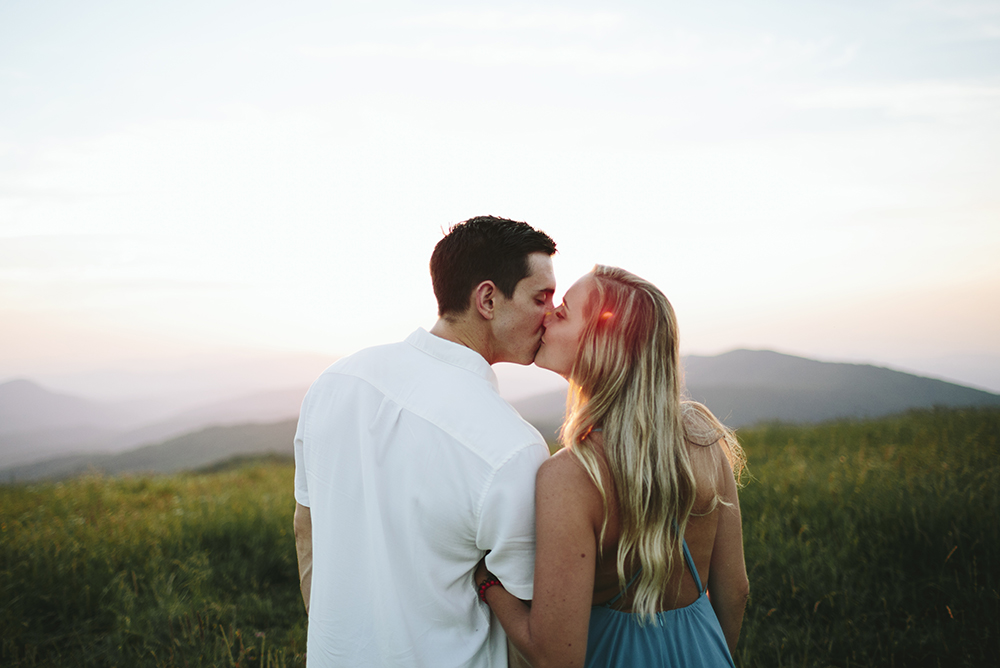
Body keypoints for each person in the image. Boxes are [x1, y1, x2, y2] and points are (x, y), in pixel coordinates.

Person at [293, 216, 557, 667]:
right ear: (488, 299)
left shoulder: (336, 381)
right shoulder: (513, 448)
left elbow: (306, 529)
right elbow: (531, 623)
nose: (552, 314)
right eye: (541, 297)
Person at [475, 265, 749, 668]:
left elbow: (555, 658)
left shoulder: (570, 476)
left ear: (603, 342)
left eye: (564, 311)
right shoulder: (704, 436)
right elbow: (736, 590)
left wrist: (487, 582)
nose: (548, 315)